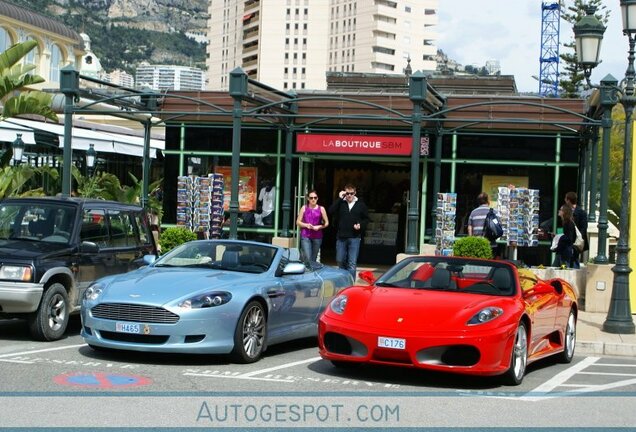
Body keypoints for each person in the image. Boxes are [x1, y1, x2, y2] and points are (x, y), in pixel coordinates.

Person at [329, 183, 369, 280]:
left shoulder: (361, 204)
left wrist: (360, 225)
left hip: (355, 237)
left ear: (355, 193)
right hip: (341, 237)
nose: (349, 195)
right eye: (347, 193)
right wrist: (339, 198)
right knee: (340, 260)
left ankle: (350, 284)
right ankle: (342, 281)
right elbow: (330, 210)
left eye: (351, 193)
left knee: (352, 263)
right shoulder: (341, 203)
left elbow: (366, 219)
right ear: (344, 193)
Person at [296, 189, 329, 264]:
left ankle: (311, 273)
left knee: (313, 258)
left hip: (317, 236)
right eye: (311, 198)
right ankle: (308, 272)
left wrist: (319, 227)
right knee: (308, 257)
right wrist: (306, 225)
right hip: (306, 235)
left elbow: (327, 223)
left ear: (317, 198)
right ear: (308, 199)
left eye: (315, 197)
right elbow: (298, 222)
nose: (313, 199)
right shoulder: (304, 208)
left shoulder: (321, 208)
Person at [467, 192, 498, 256]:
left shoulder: (473, 212)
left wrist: (471, 240)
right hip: (491, 243)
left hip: (477, 243)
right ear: (487, 201)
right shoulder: (494, 212)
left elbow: (470, 228)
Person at [565, 191, 588, 268]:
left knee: (574, 259)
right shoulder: (566, 211)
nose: (565, 200)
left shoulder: (581, 213)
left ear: (568, 200)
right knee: (566, 259)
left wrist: (579, 239)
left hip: (575, 241)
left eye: (566, 198)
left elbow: (583, 227)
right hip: (567, 240)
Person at [553, 204, 576, 268]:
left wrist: (559, 237)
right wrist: (557, 236)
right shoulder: (564, 222)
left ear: (564, 212)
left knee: (564, 269)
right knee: (555, 268)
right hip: (561, 251)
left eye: (560, 210)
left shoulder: (568, 223)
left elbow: (569, 238)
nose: (559, 211)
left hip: (565, 252)